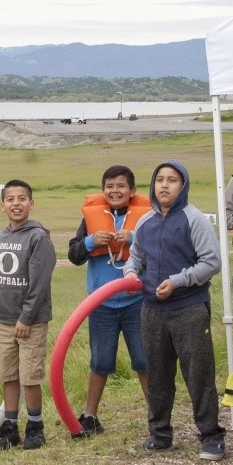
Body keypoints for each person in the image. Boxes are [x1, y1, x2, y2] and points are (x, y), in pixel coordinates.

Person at [127, 160, 226, 459]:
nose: (165, 185)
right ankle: (159, 435)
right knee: (156, 374)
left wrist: (178, 281)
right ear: (153, 185)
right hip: (152, 311)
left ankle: (211, 436)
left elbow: (212, 263)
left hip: (189, 309)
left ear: (183, 185)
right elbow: (135, 258)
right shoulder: (144, 222)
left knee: (199, 374)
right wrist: (130, 274)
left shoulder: (194, 219)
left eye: (172, 180)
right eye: (160, 179)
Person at [65, 164, 152, 436]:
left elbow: (162, 249)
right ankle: (89, 416)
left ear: (132, 191)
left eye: (121, 186)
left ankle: (156, 416)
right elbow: (74, 255)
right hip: (101, 304)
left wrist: (134, 237)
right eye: (110, 186)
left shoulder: (147, 219)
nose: (115, 191)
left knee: (143, 360)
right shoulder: (91, 219)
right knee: (100, 361)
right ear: (103, 191)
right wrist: (91, 241)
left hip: (136, 302)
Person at [0, 180, 56, 451]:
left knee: (30, 376)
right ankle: (10, 426)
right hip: (4, 320)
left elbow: (39, 284)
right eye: (10, 199)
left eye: (22, 198)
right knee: (9, 375)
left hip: (31, 321)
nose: (16, 203)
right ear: (2, 205)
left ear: (31, 203)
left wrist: (26, 318)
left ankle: (35, 425)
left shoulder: (38, 238)